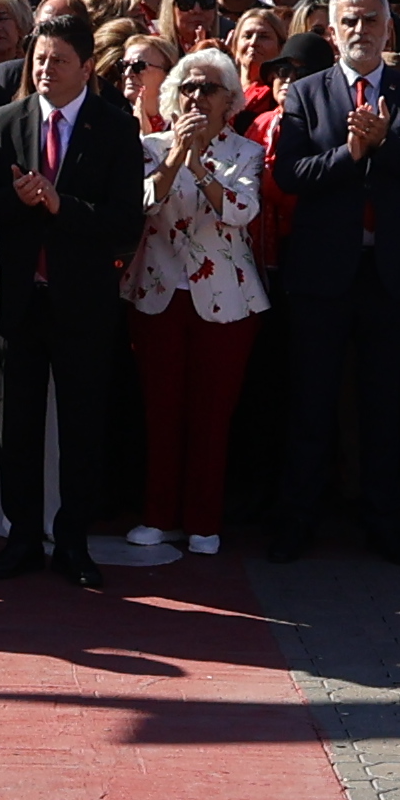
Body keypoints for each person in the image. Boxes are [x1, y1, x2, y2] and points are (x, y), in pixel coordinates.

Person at [258, 0, 400, 564]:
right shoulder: (307, 95)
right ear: (332, 31)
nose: (361, 30)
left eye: (371, 21)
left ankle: (385, 524)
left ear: (389, 30)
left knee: (384, 407)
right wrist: (351, 156)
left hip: (388, 275)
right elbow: (289, 174)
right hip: (322, 275)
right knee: (311, 404)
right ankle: (297, 521)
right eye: (349, 21)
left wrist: (385, 146)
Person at [0, 4, 141, 584]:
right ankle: (21, 537)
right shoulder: (5, 121)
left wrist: (59, 204)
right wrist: (16, 200)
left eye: (59, 61)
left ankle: (72, 541)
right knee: (13, 428)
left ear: (87, 67)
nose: (46, 69)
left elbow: (126, 221)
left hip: (83, 304)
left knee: (81, 427)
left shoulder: (115, 126)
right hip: (19, 300)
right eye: (39, 59)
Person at [121, 45, 264, 558]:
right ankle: (158, 516)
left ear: (230, 100)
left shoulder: (244, 152)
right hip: (157, 292)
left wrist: (201, 167)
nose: (197, 97)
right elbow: (143, 204)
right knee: (161, 410)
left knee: (212, 413)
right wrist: (177, 156)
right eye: (188, 87)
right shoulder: (151, 146)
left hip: (227, 301)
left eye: (209, 89)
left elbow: (240, 212)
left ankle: (203, 519)